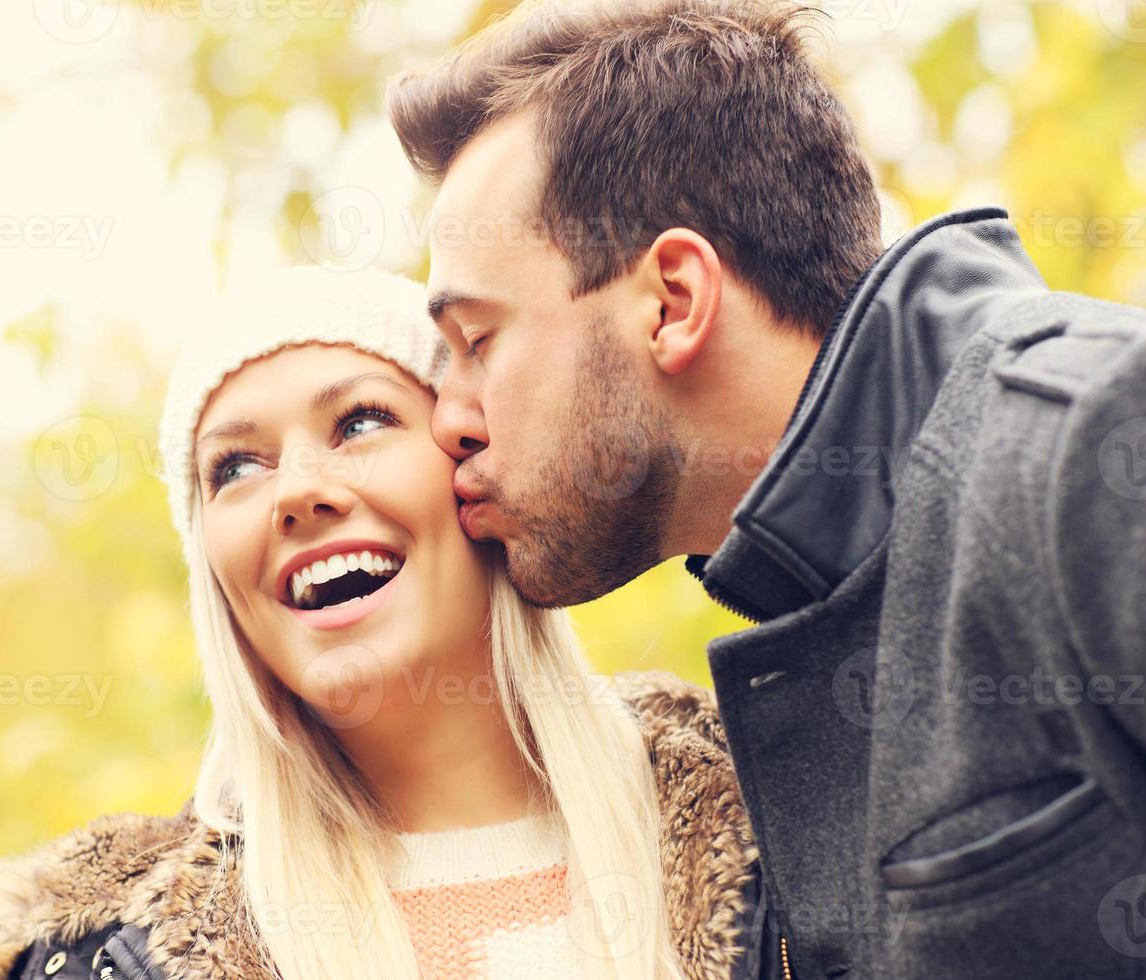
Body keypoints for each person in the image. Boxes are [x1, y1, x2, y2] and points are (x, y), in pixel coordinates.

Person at [386, 0, 1146, 977]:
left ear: (673, 300)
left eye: (478, 341)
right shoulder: (816, 607)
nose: (447, 415)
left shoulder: (1082, 438)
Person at [0, 266, 780, 980]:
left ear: (474, 477)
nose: (296, 491)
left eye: (360, 421)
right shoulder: (91, 955)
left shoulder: (789, 819)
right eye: (235, 467)